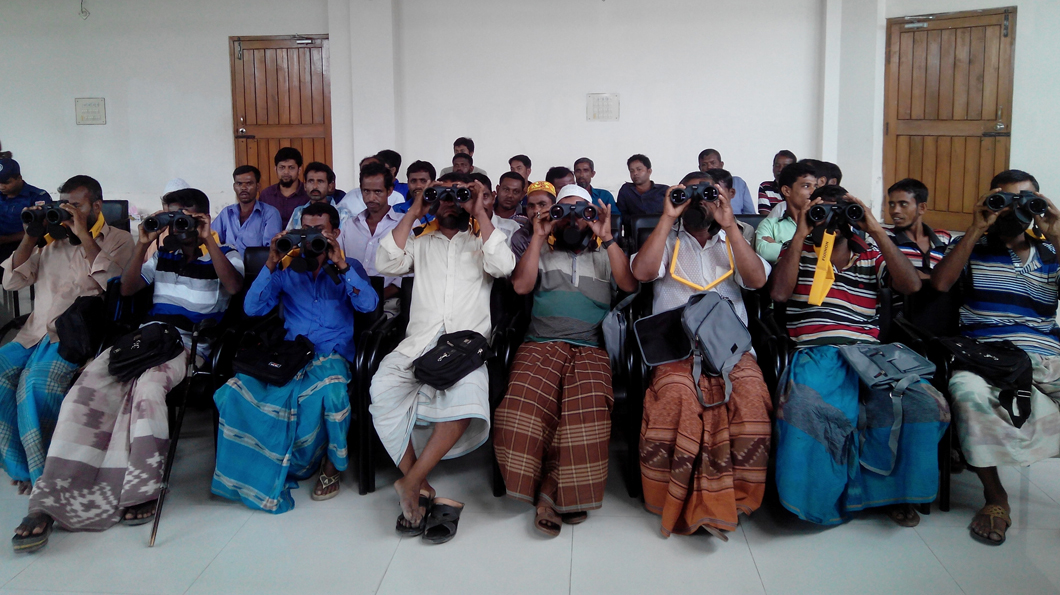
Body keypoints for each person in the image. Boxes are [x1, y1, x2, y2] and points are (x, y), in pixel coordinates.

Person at [13, 188, 241, 551]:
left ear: (202, 218)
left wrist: (207, 239)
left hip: (187, 343)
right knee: (84, 391)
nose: (176, 226)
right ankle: (49, 499)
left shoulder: (227, 254)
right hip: (145, 338)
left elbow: (233, 286)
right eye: (170, 217)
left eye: (184, 218)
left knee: (148, 392)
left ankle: (141, 488)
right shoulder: (159, 255)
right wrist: (144, 242)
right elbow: (130, 288)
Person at [769, 184, 946, 528]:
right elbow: (778, 293)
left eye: (841, 212)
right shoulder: (799, 249)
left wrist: (876, 230)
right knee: (807, 407)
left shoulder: (869, 253)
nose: (831, 221)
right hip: (817, 351)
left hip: (869, 353)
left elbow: (910, 286)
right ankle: (816, 499)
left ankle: (894, 494)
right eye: (822, 212)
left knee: (922, 403)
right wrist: (803, 230)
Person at [371, 172, 516, 543]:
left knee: (467, 400)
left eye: (459, 194)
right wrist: (415, 209)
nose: (451, 201)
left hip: (465, 348)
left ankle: (413, 482)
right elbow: (386, 263)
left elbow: (503, 266)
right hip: (418, 343)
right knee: (382, 388)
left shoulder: (482, 239)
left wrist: (481, 211)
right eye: (444, 195)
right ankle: (415, 481)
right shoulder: (422, 240)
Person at [629, 170, 772, 538]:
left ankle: (736, 497)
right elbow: (643, 273)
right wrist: (668, 216)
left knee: (751, 395)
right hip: (674, 348)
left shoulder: (736, 236)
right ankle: (672, 497)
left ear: (725, 197)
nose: (700, 201)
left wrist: (729, 226)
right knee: (676, 396)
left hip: (729, 347)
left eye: (708, 194)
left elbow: (756, 280)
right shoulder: (666, 235)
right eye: (691, 194)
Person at [213, 202, 377, 514]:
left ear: (336, 233)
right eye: (306, 232)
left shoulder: (349, 266)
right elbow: (252, 309)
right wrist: (272, 262)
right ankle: (266, 460)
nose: (310, 239)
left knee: (332, 388)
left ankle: (332, 464)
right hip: (292, 354)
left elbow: (368, 306)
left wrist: (340, 264)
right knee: (236, 389)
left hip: (333, 354)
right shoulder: (288, 268)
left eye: (319, 232)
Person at [494, 184, 636, 536]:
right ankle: (550, 491)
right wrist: (540, 237)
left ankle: (548, 496)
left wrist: (607, 236)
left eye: (583, 212)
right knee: (520, 407)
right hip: (540, 343)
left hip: (590, 348)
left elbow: (630, 285)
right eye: (565, 211)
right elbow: (522, 287)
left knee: (585, 412)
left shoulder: (606, 253)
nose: (574, 219)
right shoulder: (542, 252)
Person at [930, 169, 1060, 546]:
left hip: (1046, 352)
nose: (1014, 211)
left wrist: (1055, 232)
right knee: (967, 395)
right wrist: (975, 228)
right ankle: (995, 498)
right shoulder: (968, 246)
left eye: (1027, 201)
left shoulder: (1051, 253)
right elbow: (940, 284)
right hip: (988, 355)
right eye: (1005, 201)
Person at [0, 175, 134, 496]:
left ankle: (44, 472)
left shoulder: (119, 239)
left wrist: (84, 235)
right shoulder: (51, 240)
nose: (69, 210)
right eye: (65, 205)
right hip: (35, 332)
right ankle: (19, 465)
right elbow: (12, 282)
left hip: (74, 335)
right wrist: (31, 237)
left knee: (35, 384)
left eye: (76, 205)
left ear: (96, 206)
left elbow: (114, 285)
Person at [340, 162, 405, 312]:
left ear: (390, 191)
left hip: (388, 303)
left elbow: (408, 275)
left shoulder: (405, 225)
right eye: (366, 191)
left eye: (377, 192)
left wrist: (373, 296)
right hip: (350, 299)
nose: (371, 198)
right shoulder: (350, 225)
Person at [754, 161, 819, 264]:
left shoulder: (822, 222)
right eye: (806, 186)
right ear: (786, 191)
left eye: (815, 186)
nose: (813, 191)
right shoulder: (770, 225)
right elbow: (765, 251)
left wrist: (783, 247)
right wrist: (812, 252)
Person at [213, 165, 283, 254]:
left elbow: (271, 250)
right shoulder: (226, 213)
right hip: (227, 265)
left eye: (249, 183)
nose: (243, 188)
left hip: (257, 267)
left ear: (258, 186)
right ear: (234, 187)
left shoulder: (270, 213)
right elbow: (212, 240)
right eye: (239, 184)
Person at [0, 158, 52, 266]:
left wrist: (6, 239)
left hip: (26, 249)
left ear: (19, 178)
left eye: (6, 182)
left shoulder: (37, 196)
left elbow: (42, 228)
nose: (1, 187)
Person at [286, 162, 354, 231]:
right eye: (311, 181)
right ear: (305, 186)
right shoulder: (298, 212)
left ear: (330, 186)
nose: (315, 186)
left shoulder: (343, 214)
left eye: (320, 181)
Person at [258, 147, 311, 227]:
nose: (286, 172)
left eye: (291, 168)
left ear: (299, 170)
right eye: (282, 167)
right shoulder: (266, 195)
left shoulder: (308, 194)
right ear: (275, 169)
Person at [697, 149, 756, 215]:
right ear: (700, 168)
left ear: (721, 164)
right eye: (704, 164)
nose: (709, 167)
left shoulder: (738, 183)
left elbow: (750, 214)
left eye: (713, 163)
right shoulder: (696, 185)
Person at [510, 181, 557, 260]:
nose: (536, 211)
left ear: (554, 207)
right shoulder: (521, 237)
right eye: (531, 206)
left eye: (542, 204)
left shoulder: (563, 229)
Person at [757, 150, 797, 214]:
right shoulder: (766, 187)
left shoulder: (799, 188)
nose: (780, 169)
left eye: (785, 166)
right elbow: (765, 218)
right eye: (777, 165)